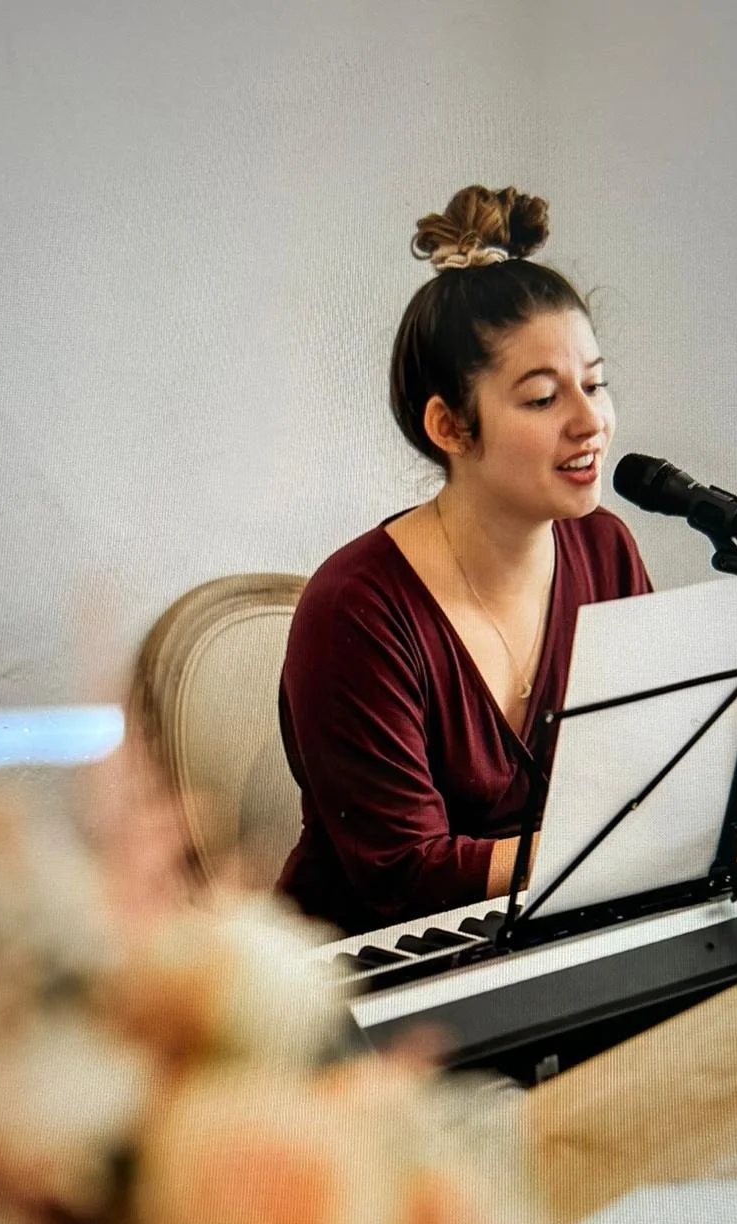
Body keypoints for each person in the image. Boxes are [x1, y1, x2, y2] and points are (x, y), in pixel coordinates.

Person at [277, 185, 653, 936]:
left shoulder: (606, 549)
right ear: (450, 426)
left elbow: (648, 771)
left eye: (595, 383)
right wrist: (611, 853)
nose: (590, 421)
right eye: (543, 399)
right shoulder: (356, 607)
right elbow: (405, 873)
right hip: (385, 970)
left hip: (561, 929)